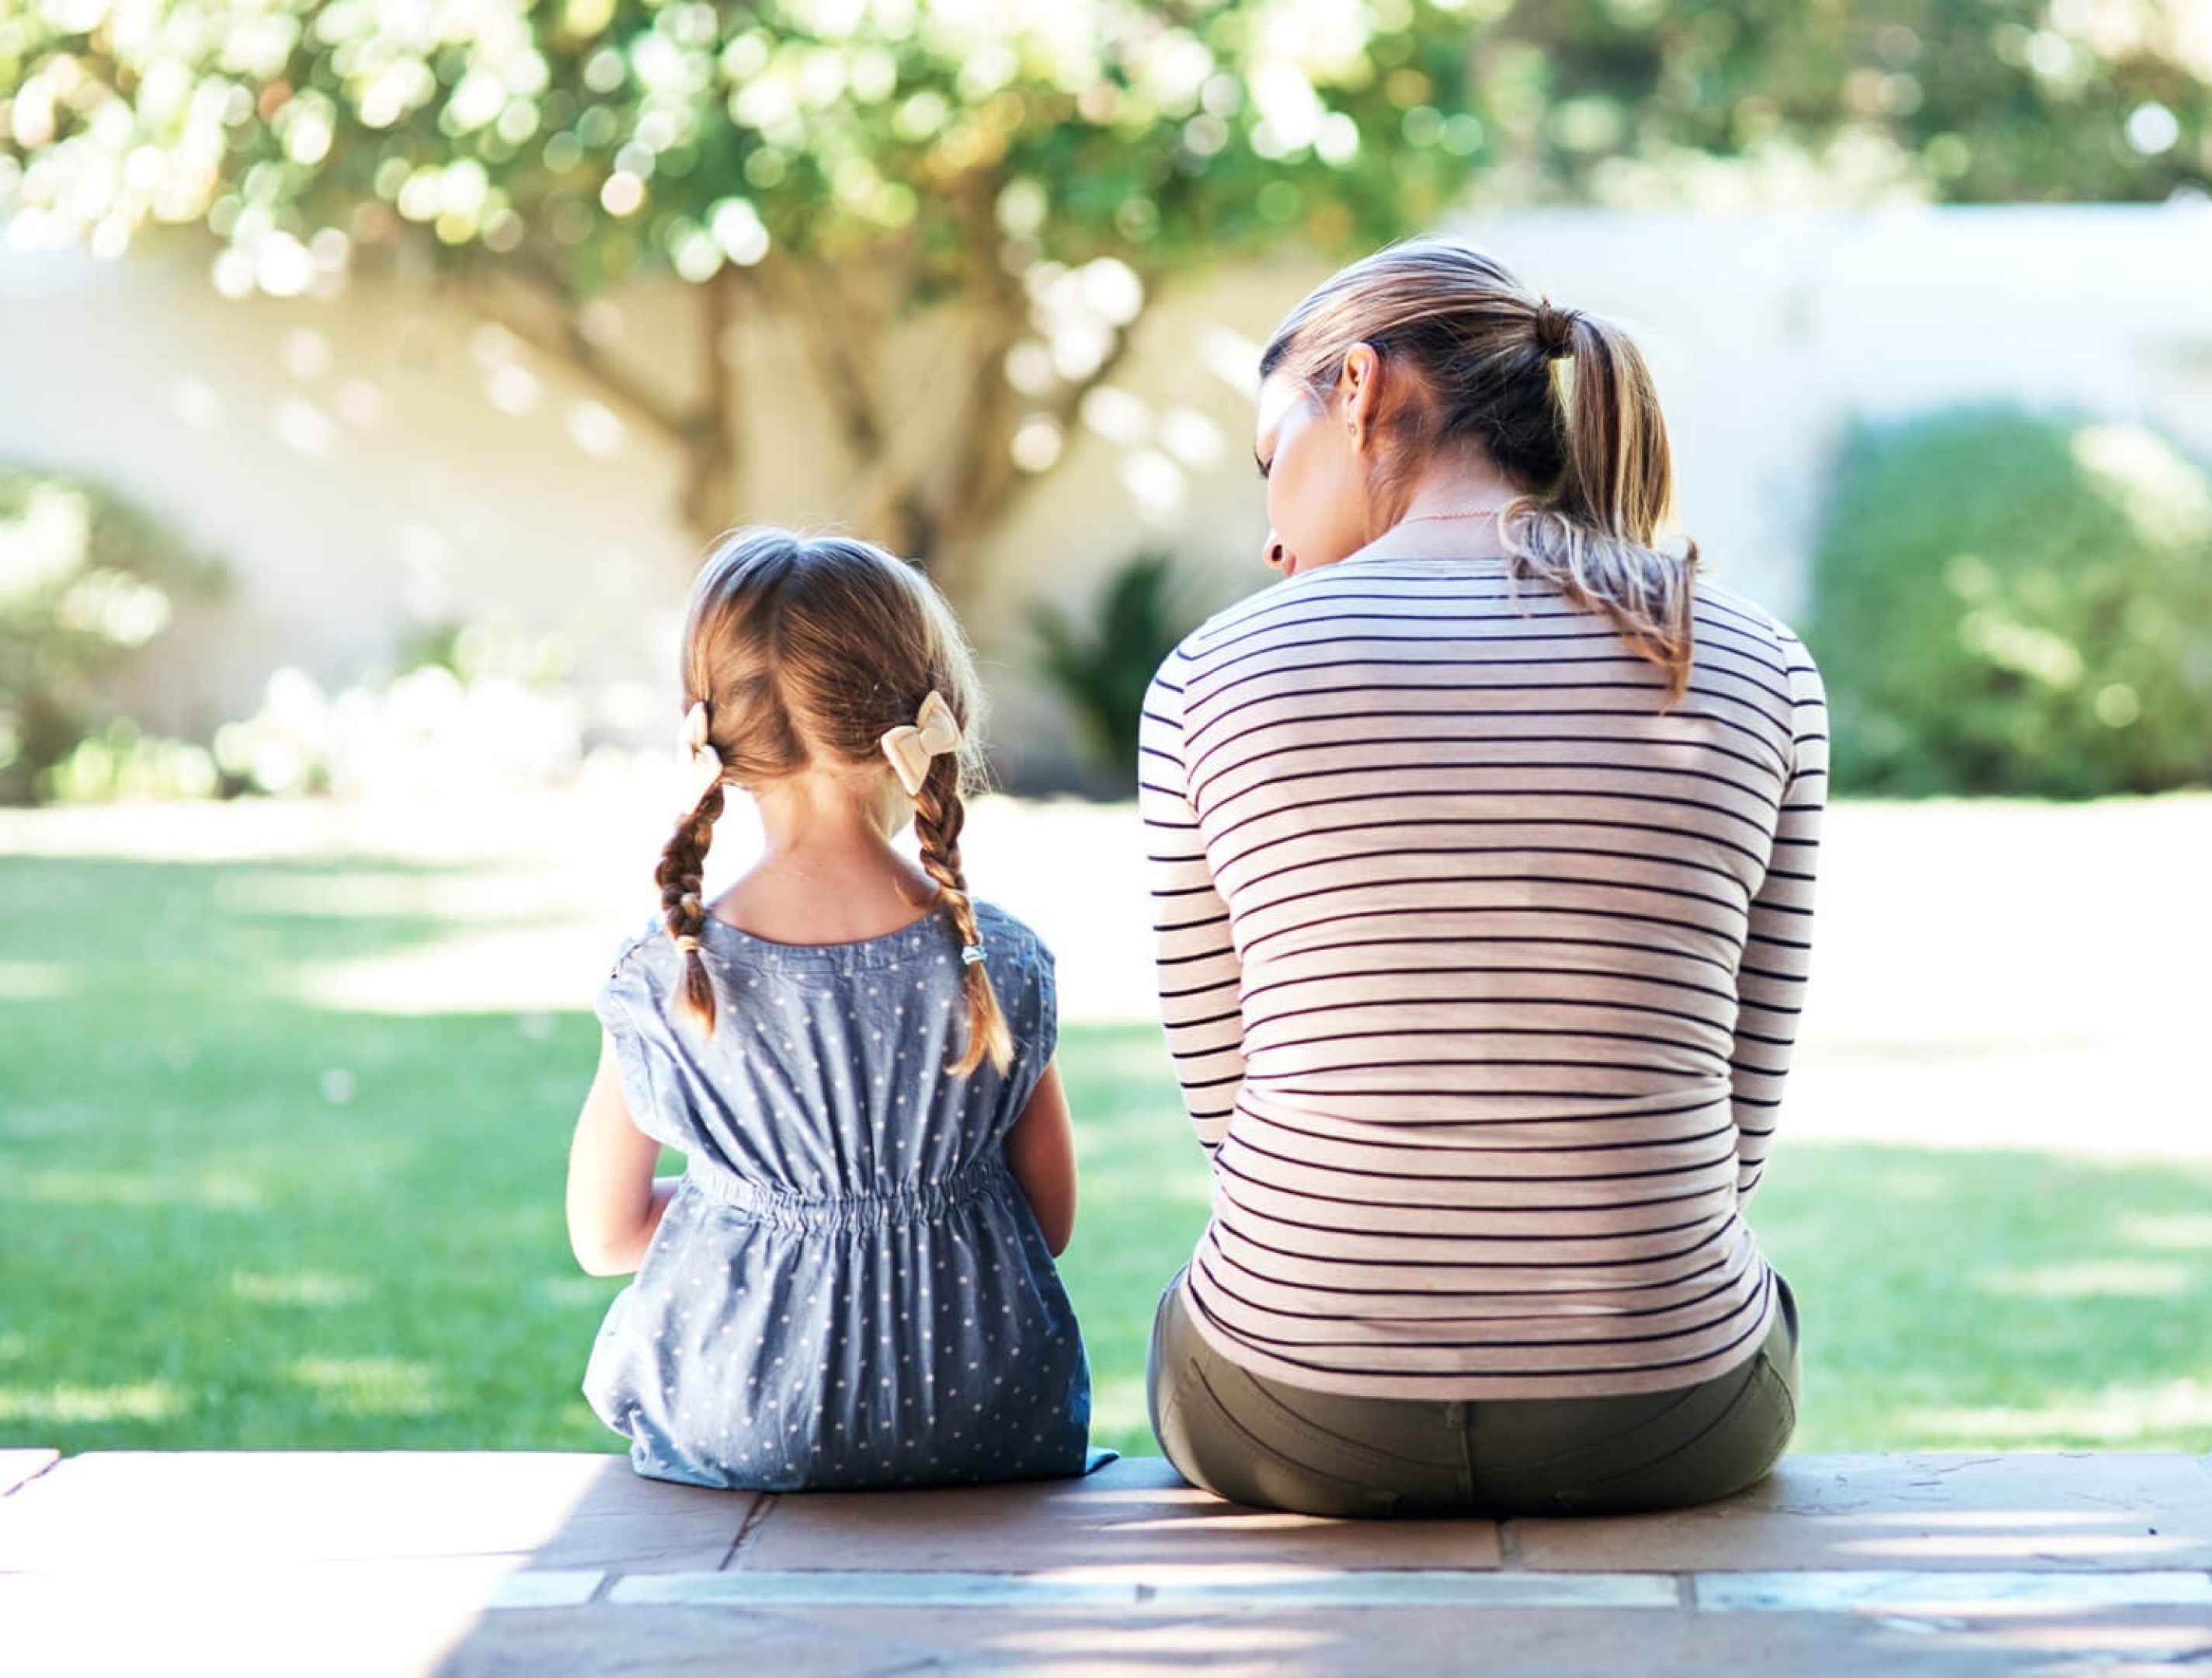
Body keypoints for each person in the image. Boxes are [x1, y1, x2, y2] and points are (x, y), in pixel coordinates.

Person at [1138, 240, 1828, 1517]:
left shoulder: (1211, 676)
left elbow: (1229, 1113)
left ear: (1355, 388)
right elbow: (1740, 1115)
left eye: (1266, 460)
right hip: (1666, 1412)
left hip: (1294, 1413)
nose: (1270, 533)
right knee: (1755, 1297)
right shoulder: (1751, 660)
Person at [566, 528, 1102, 1491]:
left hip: (739, 1420)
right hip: (984, 1418)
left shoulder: (668, 972)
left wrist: (762, 1204)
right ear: (928, 714)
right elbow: (1049, 1219)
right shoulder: (1002, 959)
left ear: (714, 738)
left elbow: (604, 1238)